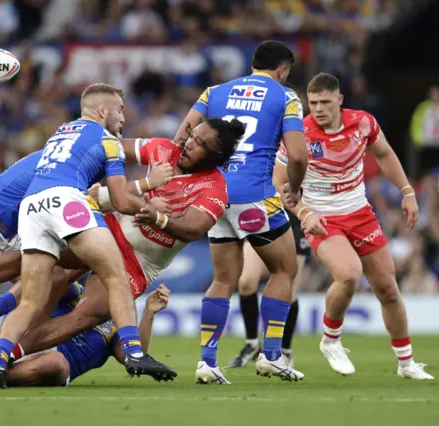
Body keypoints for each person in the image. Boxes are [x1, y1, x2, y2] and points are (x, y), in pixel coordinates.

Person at [0, 120, 243, 368]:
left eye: (200, 144)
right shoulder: (162, 149)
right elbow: (111, 145)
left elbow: (195, 228)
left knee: (85, 316)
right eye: (192, 135)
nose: (187, 144)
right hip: (110, 228)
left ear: (214, 156)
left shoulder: (214, 188)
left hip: (138, 262)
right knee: (47, 254)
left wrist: (158, 218)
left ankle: (4, 353)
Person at [0, 83, 176, 388]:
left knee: (31, 300)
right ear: (102, 111)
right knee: (116, 277)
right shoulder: (108, 141)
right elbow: (122, 201)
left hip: (32, 206)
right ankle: (135, 352)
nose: (124, 118)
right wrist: (152, 208)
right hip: (67, 201)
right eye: (120, 110)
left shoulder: (61, 132)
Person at [0, 149, 172, 375]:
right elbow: (104, 197)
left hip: (15, 230)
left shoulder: (64, 163)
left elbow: (97, 198)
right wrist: (147, 184)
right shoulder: (63, 167)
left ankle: (0, 322)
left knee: (54, 275)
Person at [274, 72, 433, 380]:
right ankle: (331, 340)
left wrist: (408, 192)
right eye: (313, 102)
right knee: (348, 275)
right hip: (321, 217)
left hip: (360, 214)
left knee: (388, 289)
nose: (318, 108)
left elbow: (385, 154)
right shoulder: (299, 132)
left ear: (339, 100)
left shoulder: (363, 123)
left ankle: (406, 363)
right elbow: (278, 182)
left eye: (325, 102)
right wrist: (305, 213)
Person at [174, 40, 308, 383]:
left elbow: (181, 139)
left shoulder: (213, 92)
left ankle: (207, 361)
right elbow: (296, 155)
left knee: (222, 279)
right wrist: (294, 186)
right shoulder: (286, 96)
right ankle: (273, 356)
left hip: (216, 196)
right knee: (284, 270)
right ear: (283, 70)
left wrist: (188, 183)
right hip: (256, 196)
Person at [0, 284, 171, 389]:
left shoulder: (122, 322)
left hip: (56, 366)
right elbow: (44, 283)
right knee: (47, 284)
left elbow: (131, 358)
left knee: (56, 363)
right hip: (30, 342)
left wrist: (148, 313)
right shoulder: (80, 292)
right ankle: (1, 340)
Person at [228, 213, 310, 369]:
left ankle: (285, 351)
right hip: (262, 215)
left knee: (289, 290)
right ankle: (252, 344)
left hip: (293, 221)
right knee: (246, 282)